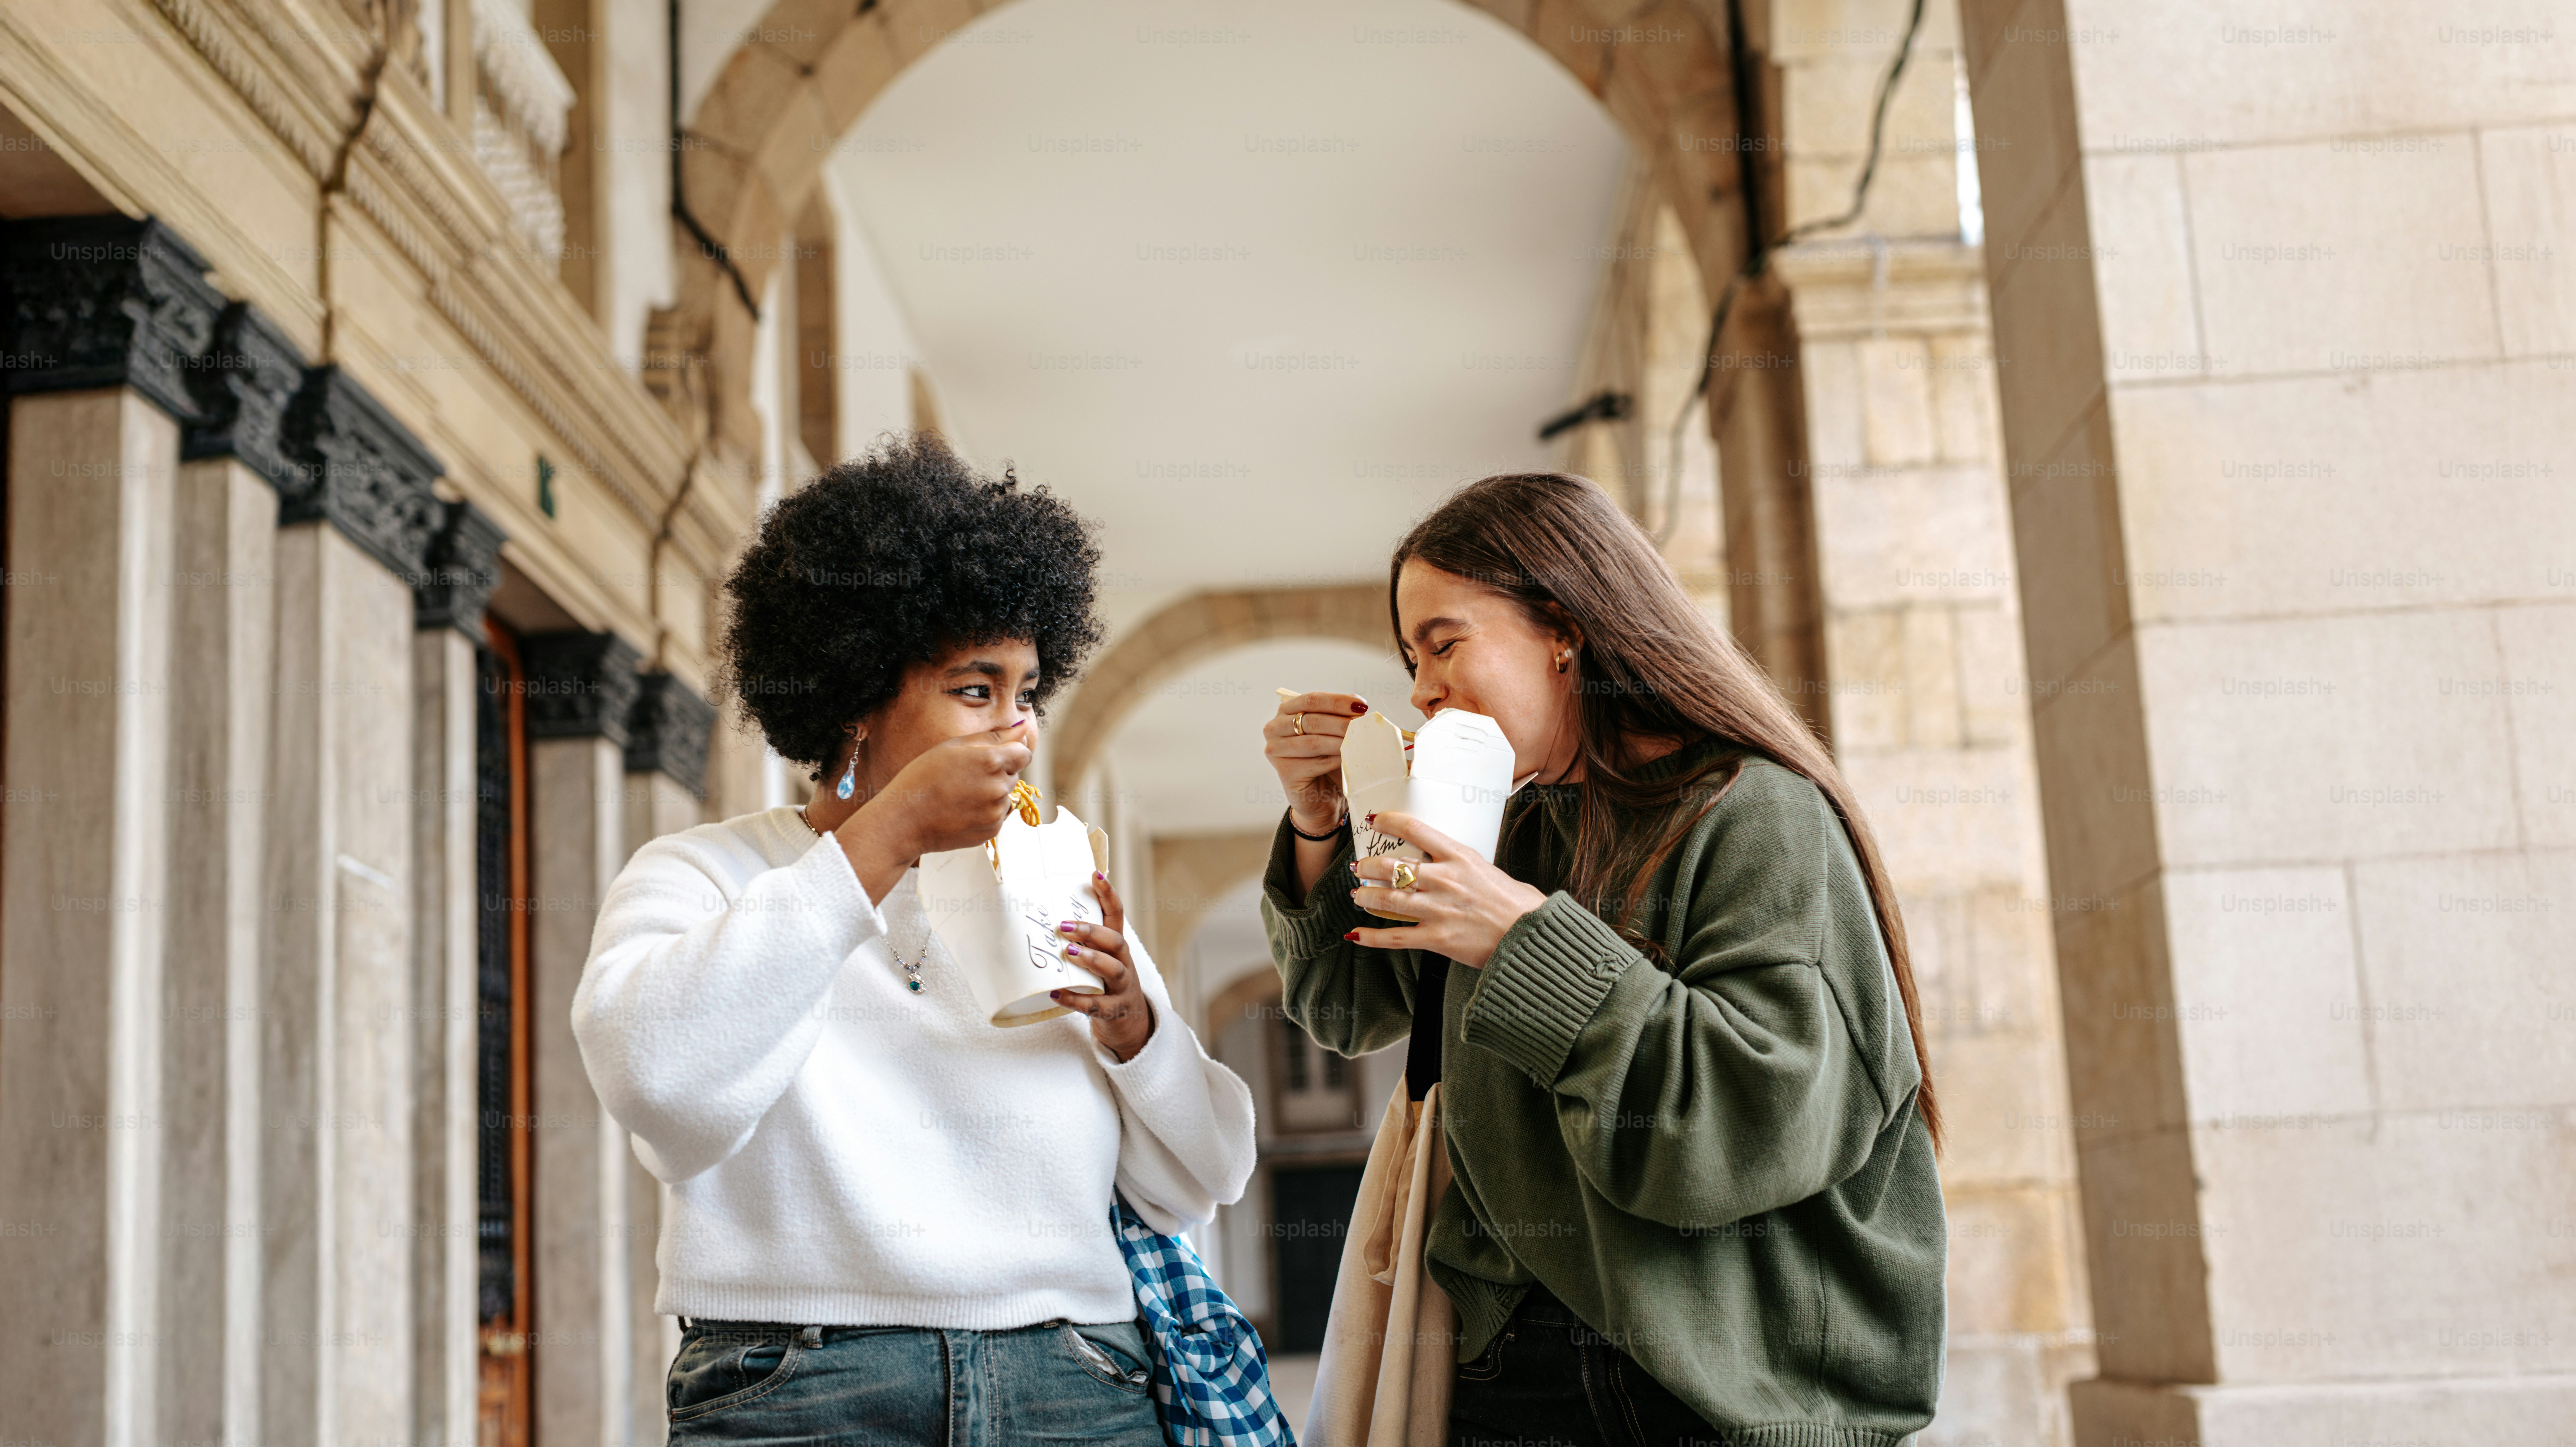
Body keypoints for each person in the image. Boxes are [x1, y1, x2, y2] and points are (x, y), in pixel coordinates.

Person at [576, 434, 1256, 1447]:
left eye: (1028, 695)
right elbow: (658, 1088)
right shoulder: (702, 875)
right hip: (800, 1389)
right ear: (855, 698)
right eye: (976, 691)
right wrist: (883, 837)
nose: (1017, 732)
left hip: (1074, 1379)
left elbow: (1202, 1182)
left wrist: (1136, 1031)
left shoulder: (1058, 874)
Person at [1260, 473, 1946, 1447]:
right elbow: (1344, 1007)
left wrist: (1522, 944)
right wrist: (1319, 822)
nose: (1419, 690)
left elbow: (1756, 1124)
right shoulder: (1501, 832)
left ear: (1565, 630)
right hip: (1507, 1375)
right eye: (1411, 657)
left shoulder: (1758, 815)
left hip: (1721, 1396)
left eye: (1445, 643)